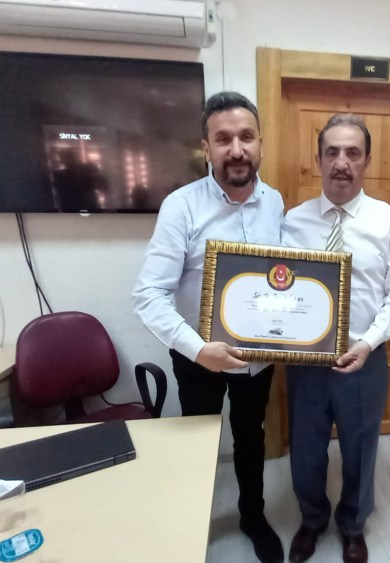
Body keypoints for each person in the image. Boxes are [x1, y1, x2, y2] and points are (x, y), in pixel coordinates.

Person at [132, 91, 285, 563]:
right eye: (223, 139)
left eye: (246, 137)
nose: (236, 149)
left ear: (260, 143)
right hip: (198, 356)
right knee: (198, 442)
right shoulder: (180, 207)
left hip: (257, 357)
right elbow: (148, 295)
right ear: (206, 148)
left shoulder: (275, 202)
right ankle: (193, 524)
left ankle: (252, 516)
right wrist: (199, 350)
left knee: (251, 436)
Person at [282, 114, 390, 563]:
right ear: (319, 159)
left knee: (361, 448)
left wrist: (369, 341)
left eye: (352, 153)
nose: (342, 162)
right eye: (333, 152)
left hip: (364, 357)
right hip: (305, 361)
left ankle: (353, 525)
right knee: (306, 449)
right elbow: (276, 287)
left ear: (366, 161)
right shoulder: (292, 222)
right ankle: (312, 520)